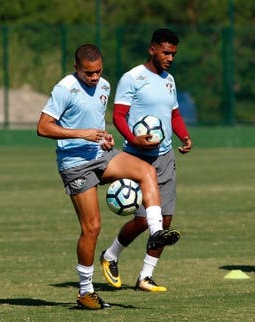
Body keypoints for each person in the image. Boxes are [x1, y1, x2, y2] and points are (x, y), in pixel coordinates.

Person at [36, 43, 180, 310]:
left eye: (98, 72)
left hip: (100, 155)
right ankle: (85, 292)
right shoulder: (64, 88)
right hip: (75, 164)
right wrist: (83, 134)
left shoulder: (104, 86)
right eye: (88, 73)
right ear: (76, 68)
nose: (94, 78)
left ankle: (157, 231)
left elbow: (95, 124)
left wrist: (103, 138)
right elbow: (43, 127)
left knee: (146, 170)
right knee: (92, 228)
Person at [99, 28, 191, 292]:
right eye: (166, 52)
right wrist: (134, 138)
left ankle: (145, 277)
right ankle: (110, 255)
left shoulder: (169, 79)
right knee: (143, 221)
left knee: (166, 220)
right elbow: (118, 115)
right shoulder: (132, 78)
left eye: (173, 54)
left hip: (165, 156)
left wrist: (184, 136)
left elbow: (173, 114)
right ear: (152, 49)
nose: (170, 58)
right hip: (137, 157)